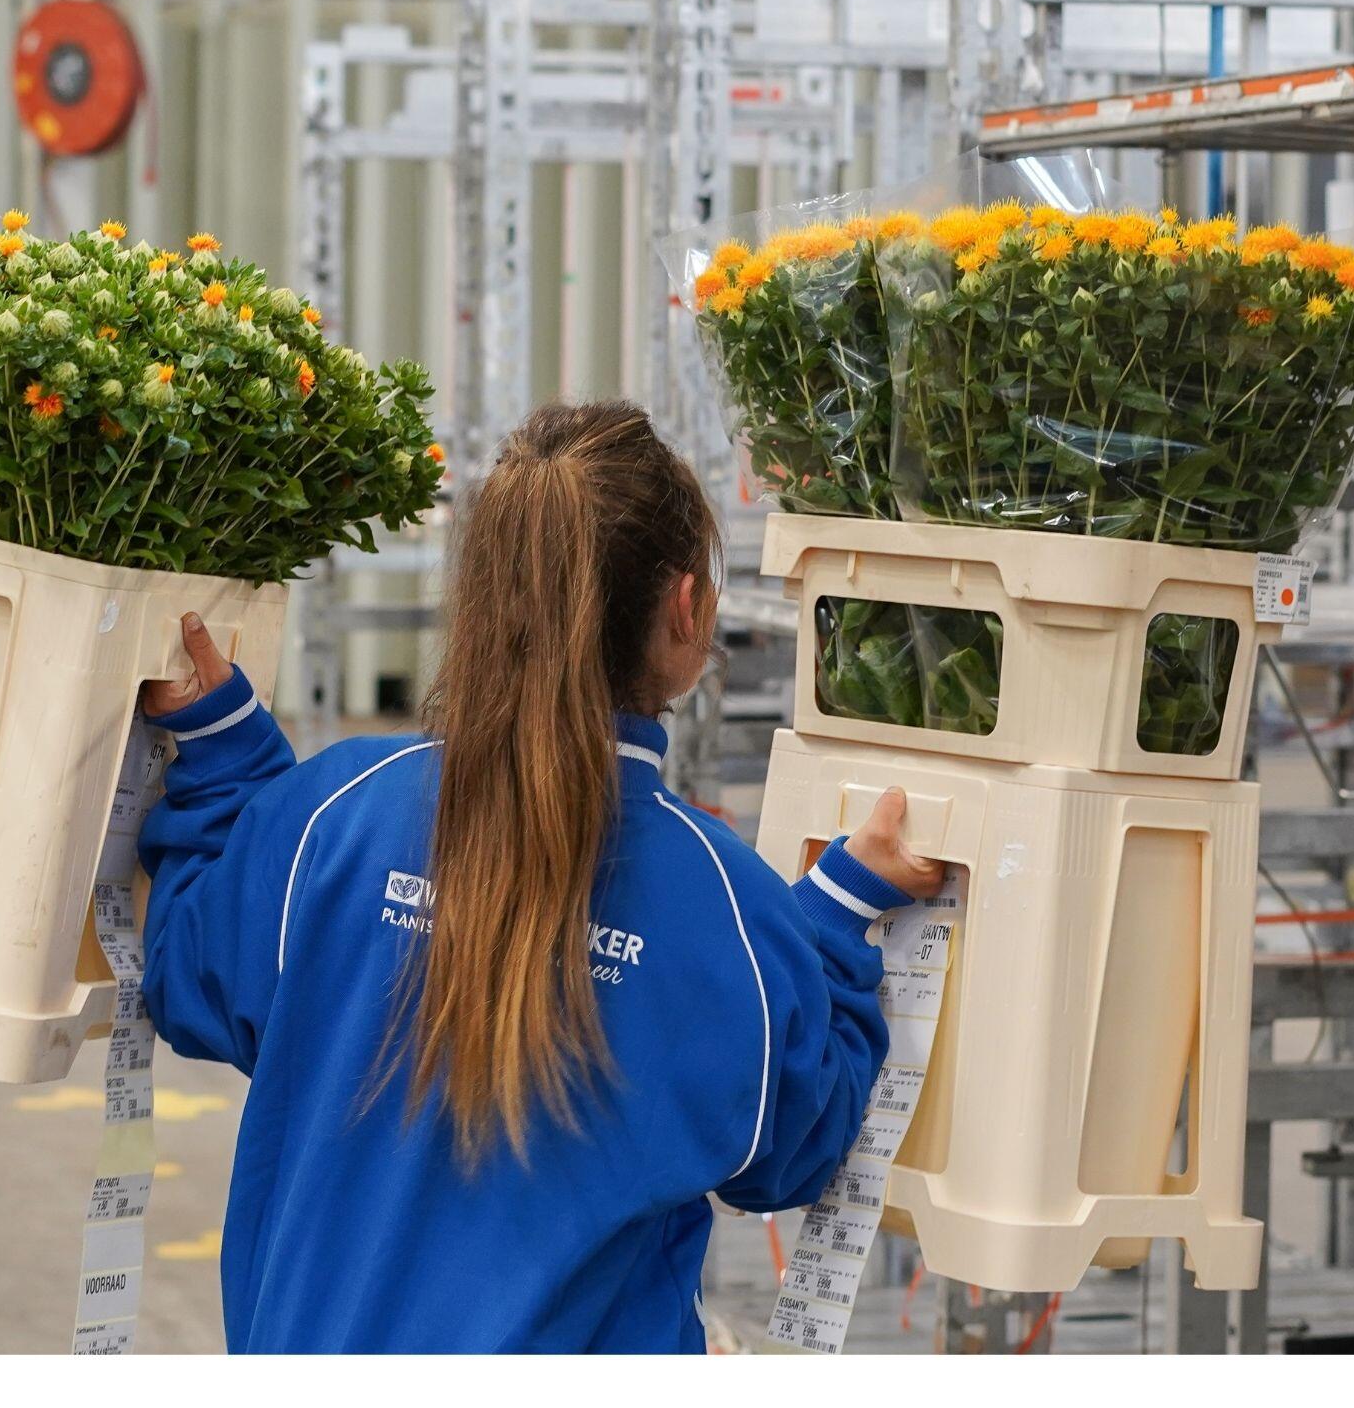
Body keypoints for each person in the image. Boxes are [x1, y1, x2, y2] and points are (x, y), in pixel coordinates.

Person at [136, 399, 944, 1353]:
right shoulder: (731, 916)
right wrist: (839, 914)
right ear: (687, 610)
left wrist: (226, 753)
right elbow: (790, 1150)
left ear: (484, 598)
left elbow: (189, 975)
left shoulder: (331, 819)